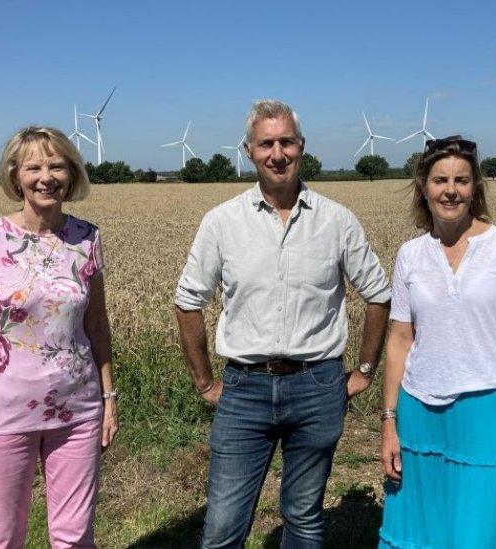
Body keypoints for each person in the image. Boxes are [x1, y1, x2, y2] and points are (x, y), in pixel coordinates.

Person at [174, 99, 391, 548]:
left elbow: (379, 294)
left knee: (304, 517)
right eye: (266, 143)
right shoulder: (221, 222)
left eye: (286, 142)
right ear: (249, 150)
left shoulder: (337, 221)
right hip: (243, 387)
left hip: (318, 386)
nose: (278, 153)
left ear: (302, 146)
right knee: (222, 525)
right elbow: (187, 301)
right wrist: (203, 382)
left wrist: (365, 371)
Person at [0, 126, 119, 548]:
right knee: (1, 537)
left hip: (76, 412)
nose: (47, 176)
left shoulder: (87, 238)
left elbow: (96, 326)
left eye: (57, 165)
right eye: (34, 167)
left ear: (72, 174)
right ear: (15, 176)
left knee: (75, 536)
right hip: (1, 412)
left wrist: (109, 400)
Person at [378, 136, 496, 549]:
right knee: (423, 534)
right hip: (420, 411)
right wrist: (388, 421)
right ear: (424, 185)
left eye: (461, 180)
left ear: (476, 187)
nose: (450, 190)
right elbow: (400, 340)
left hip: (490, 411)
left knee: (479, 535)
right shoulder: (411, 254)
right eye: (440, 180)